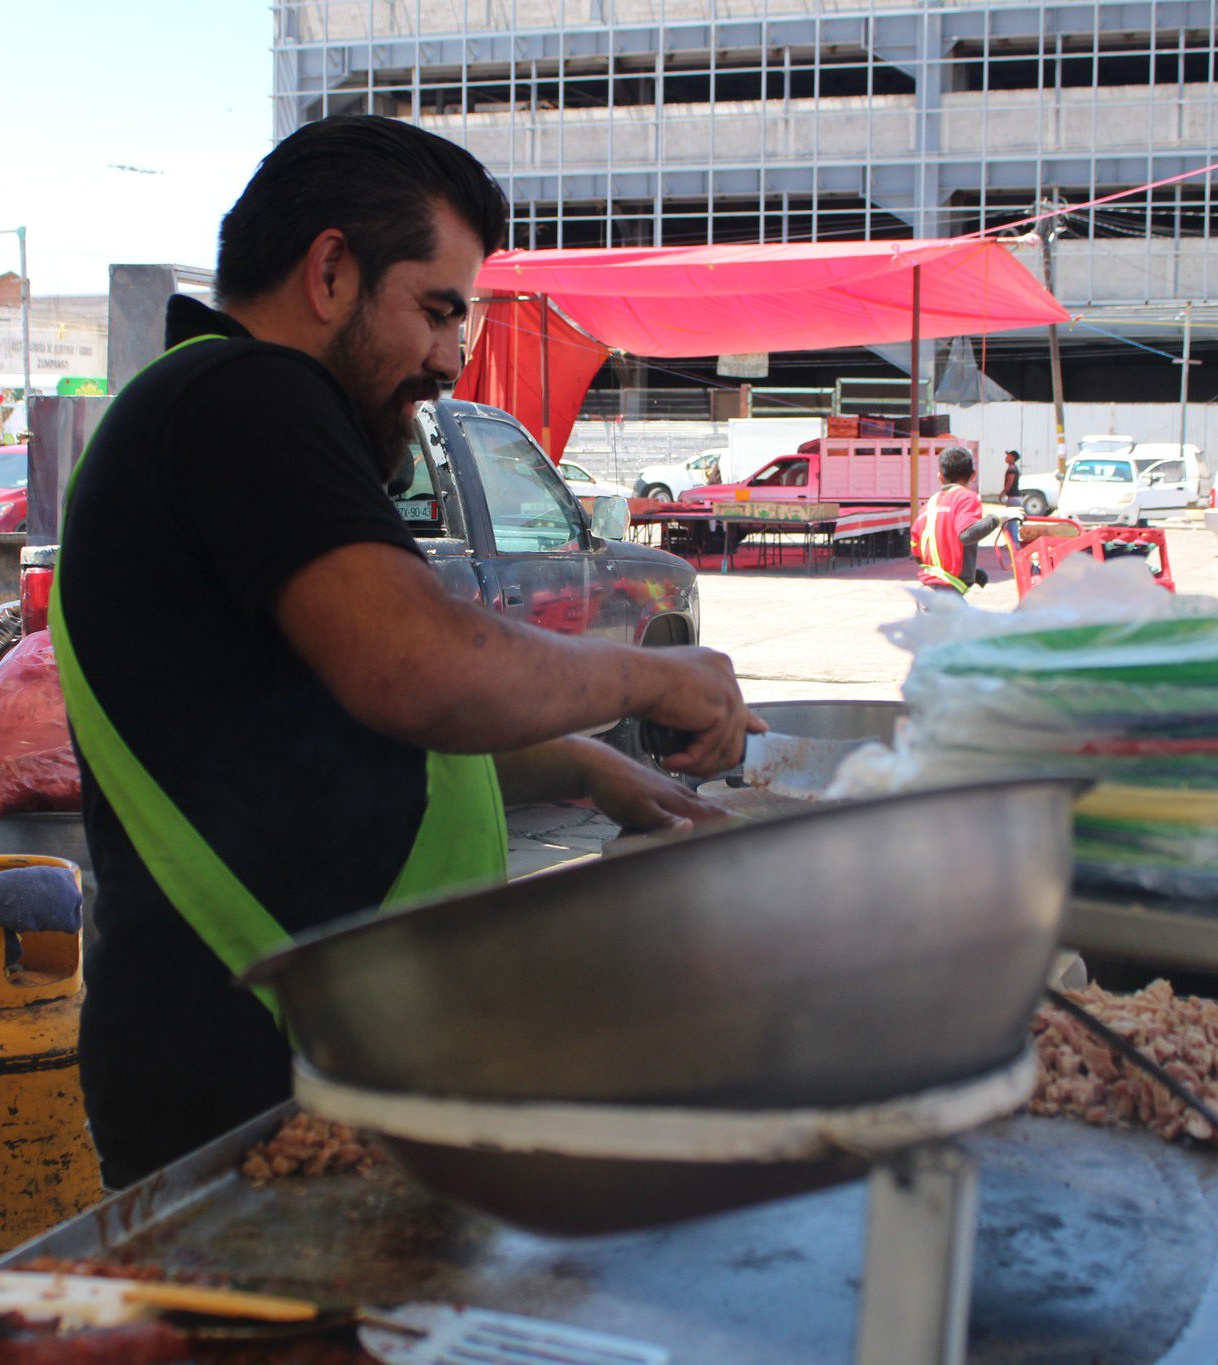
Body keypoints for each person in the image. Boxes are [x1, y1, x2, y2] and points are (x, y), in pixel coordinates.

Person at [52, 115, 762, 1188]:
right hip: (264, 1072)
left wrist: (581, 765)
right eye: (435, 310)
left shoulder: (209, 413)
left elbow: (307, 736)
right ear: (330, 271)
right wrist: (660, 675)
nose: (449, 357)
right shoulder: (246, 395)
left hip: (298, 1052)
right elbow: (418, 670)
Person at [912, 446, 1001, 594]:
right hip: (945, 595)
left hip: (928, 592)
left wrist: (968, 569)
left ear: (940, 476)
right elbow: (967, 535)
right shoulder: (965, 497)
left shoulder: (928, 506)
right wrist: (997, 518)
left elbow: (918, 553)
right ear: (973, 475)